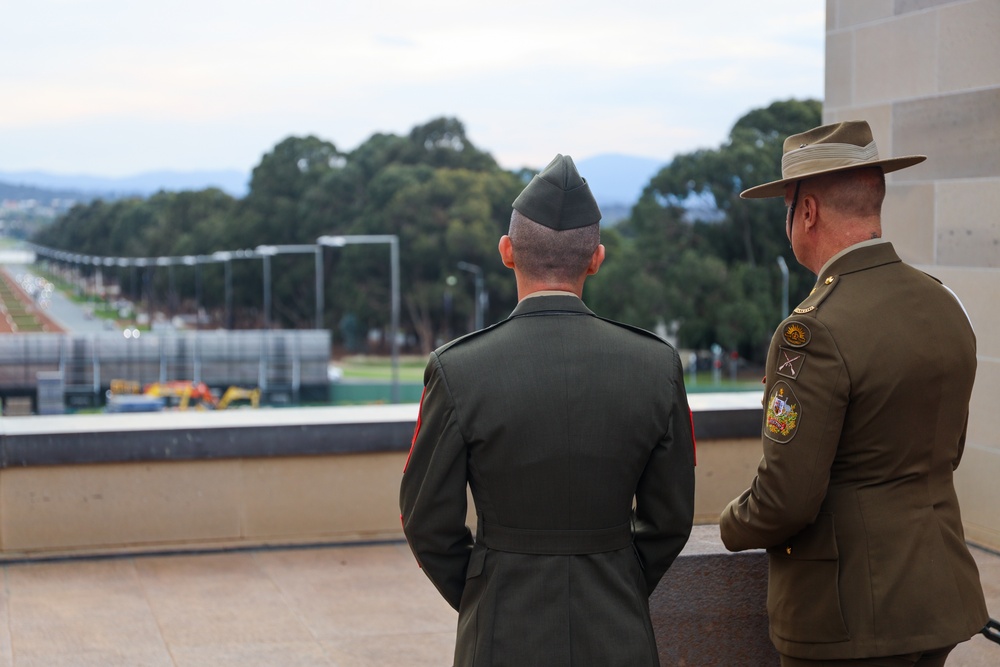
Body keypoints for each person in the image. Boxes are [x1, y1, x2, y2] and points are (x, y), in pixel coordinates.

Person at [400, 154, 696, 667]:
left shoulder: (459, 370)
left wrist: (485, 592)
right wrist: (616, 580)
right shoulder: (655, 366)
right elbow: (671, 519)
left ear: (507, 252)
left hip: (502, 631)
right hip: (618, 629)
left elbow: (427, 521)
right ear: (596, 258)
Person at [719, 121, 988, 666]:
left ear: (808, 213)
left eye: (786, 209)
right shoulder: (943, 303)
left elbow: (785, 499)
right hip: (937, 596)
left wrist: (729, 524)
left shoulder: (811, 330)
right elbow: (945, 451)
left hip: (849, 617)